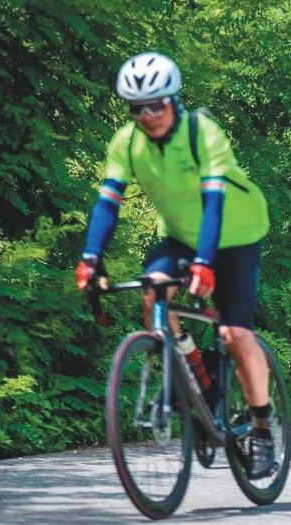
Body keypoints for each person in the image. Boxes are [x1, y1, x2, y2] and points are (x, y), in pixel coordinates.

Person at [75, 52, 276, 479]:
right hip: (183, 236)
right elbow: (107, 204)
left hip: (236, 234)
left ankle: (261, 428)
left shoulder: (201, 132)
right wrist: (91, 260)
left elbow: (214, 202)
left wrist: (205, 264)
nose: (147, 115)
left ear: (174, 100)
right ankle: (198, 382)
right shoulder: (127, 142)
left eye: (156, 105)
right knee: (153, 292)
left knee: (236, 333)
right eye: (137, 108)